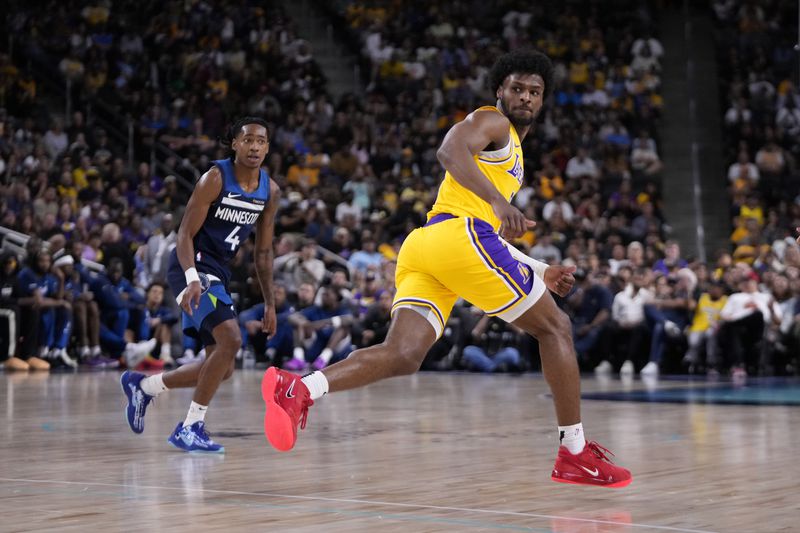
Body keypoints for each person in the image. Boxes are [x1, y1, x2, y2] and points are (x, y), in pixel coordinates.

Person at [261, 50, 631, 487]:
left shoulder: (513, 150)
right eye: (517, 88)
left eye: (535, 92)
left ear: (544, 99)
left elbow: (477, 226)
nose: (526, 97)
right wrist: (498, 200)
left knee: (403, 354)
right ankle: (574, 453)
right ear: (500, 91)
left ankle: (299, 390)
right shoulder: (493, 121)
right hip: (458, 239)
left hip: (428, 246)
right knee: (556, 329)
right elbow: (450, 150)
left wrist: (540, 267)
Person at [121, 117, 279, 453]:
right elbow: (184, 235)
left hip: (217, 272)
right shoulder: (215, 178)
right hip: (189, 266)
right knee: (231, 340)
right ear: (234, 144)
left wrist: (269, 302)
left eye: (260, 142)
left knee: (220, 369)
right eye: (247, 140)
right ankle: (190, 426)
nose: (253, 147)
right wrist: (192, 278)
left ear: (267, 147)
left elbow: (263, 253)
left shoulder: (271, 190)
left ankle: (144, 387)